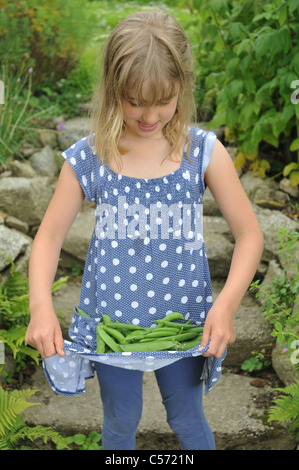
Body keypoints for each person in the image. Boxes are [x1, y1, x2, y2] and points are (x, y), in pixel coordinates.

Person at [25, 11, 264, 450]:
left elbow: (250, 235)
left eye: (163, 100)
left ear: (182, 88)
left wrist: (227, 305)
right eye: (135, 100)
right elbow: (49, 237)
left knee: (187, 417)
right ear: (113, 89)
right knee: (121, 420)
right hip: (114, 322)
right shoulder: (91, 156)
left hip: (186, 325)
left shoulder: (203, 152)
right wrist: (41, 304)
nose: (150, 115)